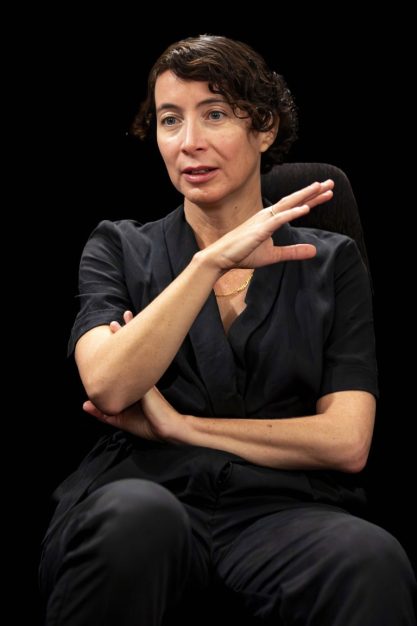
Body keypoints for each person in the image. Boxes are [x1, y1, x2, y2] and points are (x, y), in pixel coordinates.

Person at [39, 35, 416, 625]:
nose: (188, 142)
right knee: (137, 519)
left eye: (214, 114)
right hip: (146, 491)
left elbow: (346, 442)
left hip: (279, 509)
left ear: (264, 128)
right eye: (170, 120)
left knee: (368, 556)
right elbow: (109, 386)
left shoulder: (332, 261)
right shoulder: (117, 246)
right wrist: (209, 263)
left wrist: (181, 427)